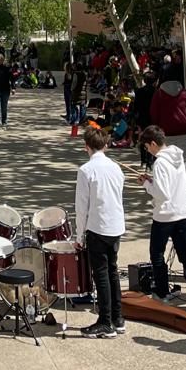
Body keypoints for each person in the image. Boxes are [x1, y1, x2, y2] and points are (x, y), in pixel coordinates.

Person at [137, 125, 186, 311]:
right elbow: (170, 185)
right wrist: (152, 181)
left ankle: (162, 293)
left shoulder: (159, 162)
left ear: (153, 143)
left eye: (147, 147)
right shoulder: (178, 157)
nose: (147, 151)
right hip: (182, 212)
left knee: (157, 254)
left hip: (165, 215)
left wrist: (146, 184)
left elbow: (162, 193)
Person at [75, 125, 127, 337]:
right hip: (115, 225)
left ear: (86, 147)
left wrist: (79, 235)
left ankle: (105, 320)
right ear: (105, 145)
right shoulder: (116, 167)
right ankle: (118, 316)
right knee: (112, 271)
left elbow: (82, 207)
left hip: (98, 226)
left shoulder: (86, 170)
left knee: (102, 274)